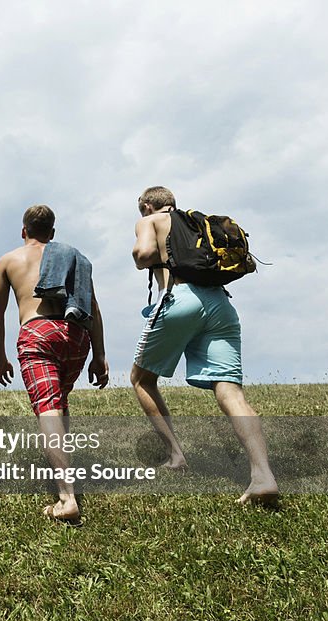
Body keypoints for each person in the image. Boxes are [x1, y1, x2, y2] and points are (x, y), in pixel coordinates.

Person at [131, 186, 278, 505]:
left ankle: (176, 456)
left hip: (180, 298)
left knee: (141, 379)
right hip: (220, 304)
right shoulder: (197, 224)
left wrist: (148, 250)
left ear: (147, 205)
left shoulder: (151, 220)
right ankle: (263, 475)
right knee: (230, 391)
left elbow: (142, 256)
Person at [0, 204, 108, 525]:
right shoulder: (72, 258)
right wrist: (100, 354)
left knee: (48, 407)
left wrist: (0, 358)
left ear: (23, 230)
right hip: (75, 335)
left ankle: (66, 498)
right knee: (60, 402)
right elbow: (91, 305)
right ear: (52, 234)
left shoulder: (9, 260)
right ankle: (63, 468)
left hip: (38, 332)